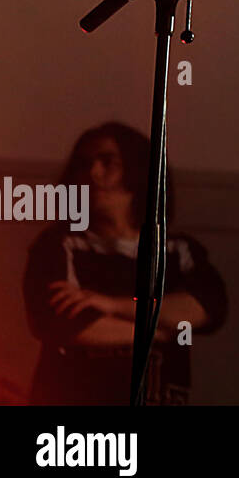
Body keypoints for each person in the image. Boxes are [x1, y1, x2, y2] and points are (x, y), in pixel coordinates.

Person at [22, 122, 228, 405]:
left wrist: (110, 304)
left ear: (138, 170)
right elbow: (63, 324)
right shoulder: (59, 245)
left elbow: (207, 308)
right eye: (84, 165)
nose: (93, 174)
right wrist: (162, 328)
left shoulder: (178, 250)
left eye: (107, 162)